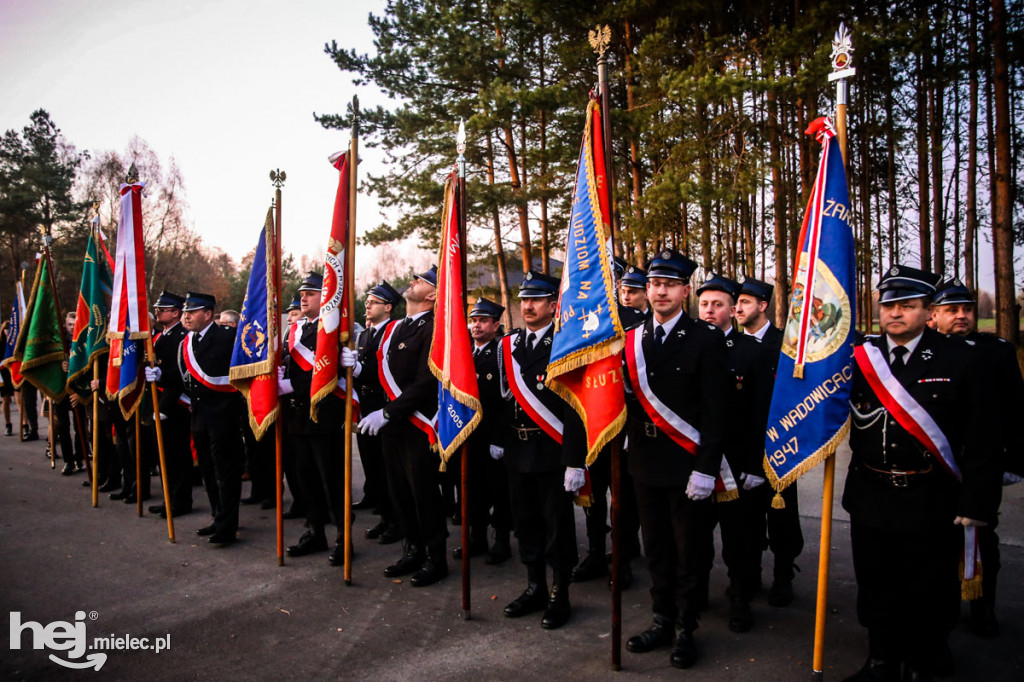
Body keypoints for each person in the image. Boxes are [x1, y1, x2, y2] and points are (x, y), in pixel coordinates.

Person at [842, 266, 1000, 682]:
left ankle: (926, 655)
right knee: (876, 583)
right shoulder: (861, 357)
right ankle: (880, 658)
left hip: (931, 496)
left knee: (928, 586)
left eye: (907, 306)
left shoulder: (961, 359)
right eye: (888, 305)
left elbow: (983, 439)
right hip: (872, 492)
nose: (895, 314)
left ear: (928, 311)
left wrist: (977, 503)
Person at [622, 250, 729, 669]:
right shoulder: (631, 338)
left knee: (689, 550)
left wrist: (706, 467)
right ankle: (661, 619)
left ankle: (687, 627)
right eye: (653, 284)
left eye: (668, 284)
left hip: (687, 463)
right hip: (644, 459)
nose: (659, 291)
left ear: (685, 290)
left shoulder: (705, 339)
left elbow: (717, 411)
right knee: (656, 549)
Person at [930, 277, 1023, 639]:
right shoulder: (929, 353)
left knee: (985, 540)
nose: (961, 316)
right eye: (951, 310)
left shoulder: (996, 351)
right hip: (939, 464)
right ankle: (945, 611)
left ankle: (983, 607)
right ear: (933, 316)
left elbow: (1016, 411)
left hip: (981, 465)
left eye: (966, 309)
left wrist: (1014, 462)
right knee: (940, 541)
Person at [498, 271, 584, 630]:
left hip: (552, 452)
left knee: (556, 528)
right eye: (524, 300)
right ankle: (534, 586)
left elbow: (576, 408)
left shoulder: (566, 344)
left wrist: (574, 460)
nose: (528, 306)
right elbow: (501, 400)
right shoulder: (510, 345)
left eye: (536, 300)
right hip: (517, 451)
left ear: (553, 305)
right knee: (526, 523)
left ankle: (559, 593)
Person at [354, 266, 448, 587]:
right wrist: (354, 370)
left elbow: (425, 382)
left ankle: (436, 557)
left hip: (417, 426)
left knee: (423, 494)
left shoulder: (434, 328)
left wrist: (389, 412)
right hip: (392, 426)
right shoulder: (396, 329)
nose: (413, 282)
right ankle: (412, 549)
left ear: (433, 294)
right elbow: (379, 376)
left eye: (421, 281)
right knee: (400, 493)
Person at [693, 273, 773, 633]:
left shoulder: (752, 352)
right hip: (697, 464)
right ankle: (695, 594)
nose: (709, 311)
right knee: (694, 539)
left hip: (739, 467)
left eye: (718, 304)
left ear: (732, 309)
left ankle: (740, 598)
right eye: (704, 304)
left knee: (741, 541)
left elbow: (763, 413)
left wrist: (758, 463)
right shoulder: (688, 348)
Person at [735, 275, 803, 607]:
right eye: (737, 302)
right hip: (744, 450)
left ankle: (782, 576)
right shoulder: (732, 346)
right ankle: (750, 576)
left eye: (745, 302)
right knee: (747, 522)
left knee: (783, 520)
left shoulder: (786, 344)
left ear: (763, 306)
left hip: (780, 447)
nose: (738, 308)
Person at [277, 272, 351, 565]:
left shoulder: (331, 328)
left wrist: (293, 384)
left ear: (325, 296)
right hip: (296, 416)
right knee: (304, 478)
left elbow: (327, 371)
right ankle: (315, 530)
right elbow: (289, 361)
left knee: (331, 479)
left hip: (323, 415)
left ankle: (343, 537)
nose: (303, 297)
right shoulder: (293, 330)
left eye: (310, 293)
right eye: (302, 293)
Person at [174, 292, 245, 545]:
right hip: (199, 415)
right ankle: (218, 516)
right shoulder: (186, 341)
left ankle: (228, 525)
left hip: (223, 416)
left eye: (191, 312)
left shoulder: (228, 337)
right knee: (207, 470)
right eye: (184, 312)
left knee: (226, 473)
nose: (186, 316)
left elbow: (240, 372)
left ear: (207, 314)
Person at [453, 297, 511, 564]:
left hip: (492, 436)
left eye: (483, 320)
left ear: (496, 325)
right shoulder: (463, 353)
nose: (476, 325)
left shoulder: (502, 353)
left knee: (498, 490)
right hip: (467, 434)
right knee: (470, 488)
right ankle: (476, 539)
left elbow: (507, 401)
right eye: (473, 320)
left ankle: (501, 542)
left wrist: (500, 438)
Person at [350, 281, 402, 544]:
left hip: (384, 409)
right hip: (365, 409)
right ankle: (384, 515)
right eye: (367, 301)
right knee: (372, 466)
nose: (367, 305)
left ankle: (396, 521)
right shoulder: (364, 335)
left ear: (388, 307)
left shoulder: (394, 332)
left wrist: (359, 370)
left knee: (388, 469)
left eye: (373, 302)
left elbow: (386, 373)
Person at [145, 291, 193, 518]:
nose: (157, 312)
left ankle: (180, 501)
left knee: (177, 455)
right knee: (164, 454)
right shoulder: (161, 336)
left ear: (175, 313)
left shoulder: (180, 337)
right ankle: (169, 498)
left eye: (162, 309)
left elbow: (182, 371)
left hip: (174, 404)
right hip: (160, 401)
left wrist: (164, 406)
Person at [56, 312, 86, 475]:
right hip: (61, 390)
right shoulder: (58, 342)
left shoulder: (83, 341)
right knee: (63, 425)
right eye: (69, 324)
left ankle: (79, 458)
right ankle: (68, 461)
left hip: (78, 389)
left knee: (80, 425)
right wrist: (60, 366)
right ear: (65, 325)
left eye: (75, 324)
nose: (72, 327)